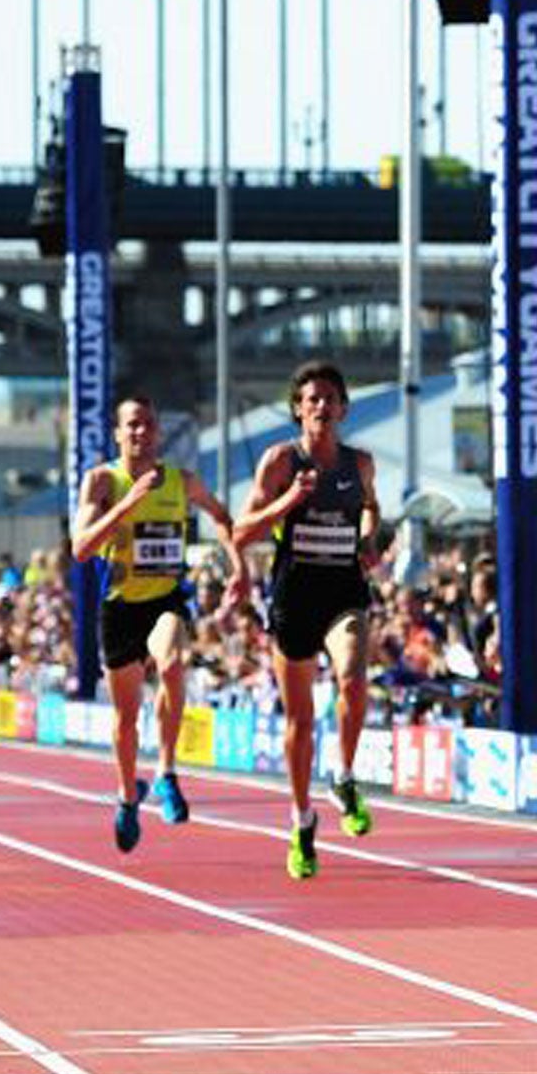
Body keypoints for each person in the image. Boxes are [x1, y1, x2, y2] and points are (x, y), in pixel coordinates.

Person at [71, 393, 248, 853]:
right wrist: (128, 503)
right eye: (131, 425)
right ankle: (128, 795)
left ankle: (167, 772)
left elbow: (223, 518)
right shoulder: (101, 481)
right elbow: (82, 548)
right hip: (119, 607)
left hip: (166, 599)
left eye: (148, 424)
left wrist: (239, 569)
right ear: (117, 433)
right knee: (125, 717)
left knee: (172, 661)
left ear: (158, 432)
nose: (140, 432)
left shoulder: (181, 481)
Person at [236, 361, 381, 879]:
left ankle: (342, 775)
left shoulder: (359, 463)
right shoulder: (279, 462)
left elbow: (371, 508)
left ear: (343, 409)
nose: (320, 406)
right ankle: (302, 821)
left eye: (329, 398)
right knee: (298, 722)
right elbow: (241, 532)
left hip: (344, 589)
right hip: (294, 596)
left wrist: (368, 540)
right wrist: (290, 499)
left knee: (353, 679)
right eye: (311, 399)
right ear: (298, 408)